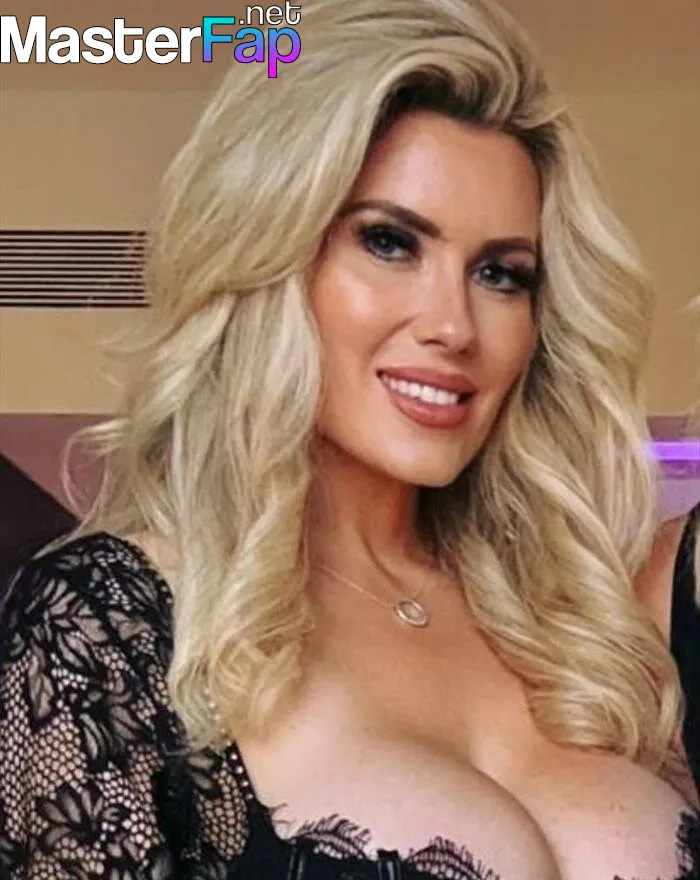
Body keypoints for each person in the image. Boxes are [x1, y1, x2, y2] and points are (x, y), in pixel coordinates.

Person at [1, 0, 698, 877]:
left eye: (500, 273)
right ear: (270, 261)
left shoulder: (584, 618)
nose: (454, 325)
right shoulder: (111, 622)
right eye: (390, 242)